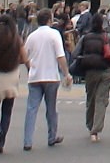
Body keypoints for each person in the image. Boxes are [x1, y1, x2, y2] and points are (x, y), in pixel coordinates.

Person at [22, 8, 72, 151]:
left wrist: (29, 67)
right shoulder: (54, 34)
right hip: (51, 76)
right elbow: (60, 56)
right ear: (50, 20)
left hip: (35, 76)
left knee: (31, 109)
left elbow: (25, 56)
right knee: (51, 108)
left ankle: (27, 141)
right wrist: (66, 73)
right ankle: (52, 136)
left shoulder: (32, 36)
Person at [0, 13, 28, 154]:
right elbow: (24, 58)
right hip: (12, 75)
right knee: (7, 111)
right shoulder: (16, 40)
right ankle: (1, 141)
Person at [70, 14, 110, 143]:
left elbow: (75, 53)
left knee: (90, 99)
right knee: (101, 100)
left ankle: (90, 124)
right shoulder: (107, 37)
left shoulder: (85, 37)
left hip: (90, 71)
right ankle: (95, 130)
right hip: (105, 71)